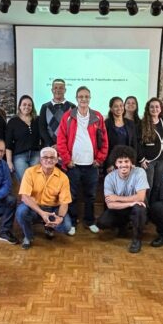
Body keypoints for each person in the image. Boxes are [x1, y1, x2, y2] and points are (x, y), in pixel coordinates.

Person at [57, 86, 109, 235]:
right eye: (81, 96)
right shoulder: (68, 116)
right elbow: (61, 140)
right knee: (72, 196)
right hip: (73, 165)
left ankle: (90, 221)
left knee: (90, 196)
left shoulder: (97, 117)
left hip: (92, 165)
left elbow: (104, 140)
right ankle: (73, 222)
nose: (84, 99)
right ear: (76, 98)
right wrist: (67, 160)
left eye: (86, 96)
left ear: (90, 98)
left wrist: (100, 159)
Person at [16, 147, 74, 250]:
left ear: (56, 160)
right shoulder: (30, 172)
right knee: (21, 212)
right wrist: (42, 213)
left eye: (52, 157)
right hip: (34, 208)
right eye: (45, 157)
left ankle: (49, 227)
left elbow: (64, 202)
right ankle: (28, 236)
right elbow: (24, 197)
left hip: (53, 209)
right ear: (40, 159)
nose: (49, 160)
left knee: (66, 226)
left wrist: (60, 217)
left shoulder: (63, 177)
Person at [97, 145, 150, 253]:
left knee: (139, 208)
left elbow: (140, 197)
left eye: (126, 161)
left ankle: (137, 240)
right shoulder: (109, 178)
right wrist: (130, 203)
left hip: (137, 208)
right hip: (122, 208)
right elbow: (110, 205)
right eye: (120, 162)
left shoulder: (140, 172)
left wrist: (116, 198)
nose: (123, 165)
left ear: (131, 162)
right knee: (101, 223)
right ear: (116, 164)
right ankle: (123, 226)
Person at [138, 97, 163, 204]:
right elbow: (137, 143)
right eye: (152, 107)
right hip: (148, 161)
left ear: (160, 109)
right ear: (148, 109)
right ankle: (145, 208)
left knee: (157, 186)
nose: (154, 109)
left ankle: (153, 207)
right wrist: (141, 159)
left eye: (157, 107)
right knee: (148, 186)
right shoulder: (142, 123)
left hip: (162, 159)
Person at [5, 95, 41, 182]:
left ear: (32, 107)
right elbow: (8, 144)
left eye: (29, 105)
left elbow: (43, 138)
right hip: (19, 157)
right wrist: (9, 162)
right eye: (24, 104)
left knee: (36, 182)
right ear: (19, 106)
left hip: (36, 155)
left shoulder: (38, 120)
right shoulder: (13, 122)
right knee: (25, 182)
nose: (27, 107)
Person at [38, 78, 75, 149]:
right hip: (49, 147)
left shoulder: (72, 107)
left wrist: (62, 144)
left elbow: (73, 129)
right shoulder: (45, 107)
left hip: (66, 147)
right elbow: (42, 129)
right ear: (52, 90)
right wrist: (52, 144)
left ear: (65, 90)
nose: (58, 90)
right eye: (55, 88)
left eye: (61, 88)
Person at [104, 96, 138, 172]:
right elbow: (104, 146)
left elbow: (134, 145)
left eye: (121, 105)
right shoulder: (106, 124)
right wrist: (109, 164)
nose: (119, 108)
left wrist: (133, 162)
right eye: (116, 106)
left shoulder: (130, 124)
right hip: (112, 165)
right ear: (111, 108)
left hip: (127, 163)